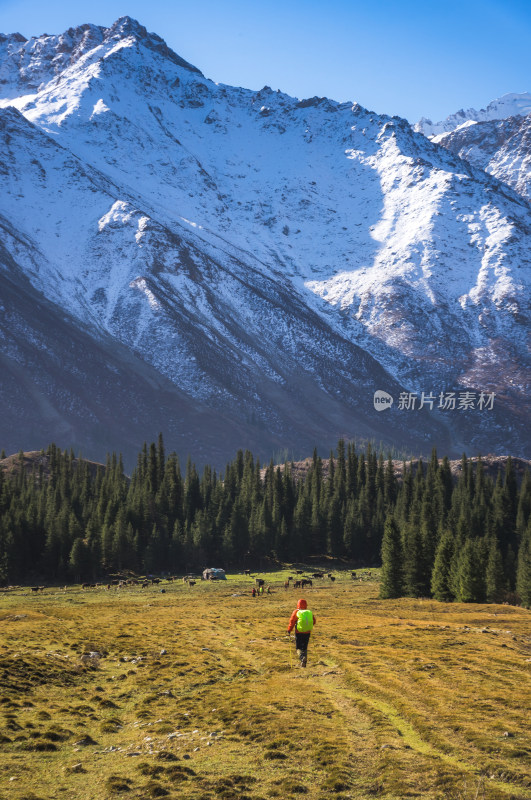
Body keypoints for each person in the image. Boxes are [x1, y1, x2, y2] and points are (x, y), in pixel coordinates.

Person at [287, 598, 315, 667]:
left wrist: (289, 629)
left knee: (298, 647)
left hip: (299, 632)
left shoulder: (296, 612)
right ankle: (304, 662)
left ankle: (302, 658)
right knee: (305, 647)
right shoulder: (308, 612)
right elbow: (314, 621)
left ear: (298, 604)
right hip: (307, 632)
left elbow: (292, 621)